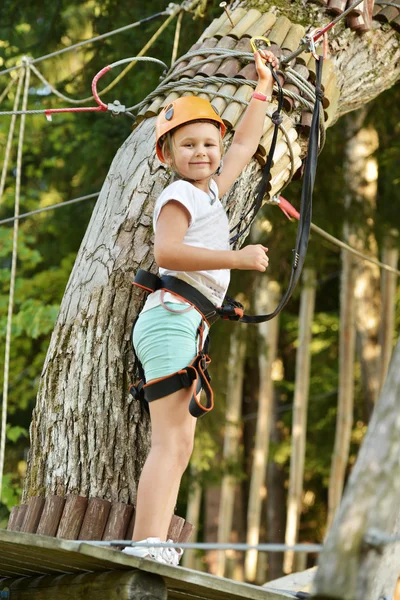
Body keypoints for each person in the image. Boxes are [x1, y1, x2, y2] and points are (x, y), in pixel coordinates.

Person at [123, 49, 278, 566]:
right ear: (168, 154)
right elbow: (167, 253)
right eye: (188, 145)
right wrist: (238, 256)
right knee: (172, 441)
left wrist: (262, 87)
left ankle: (153, 541)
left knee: (180, 442)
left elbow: (247, 144)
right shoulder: (178, 197)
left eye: (209, 143)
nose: (204, 153)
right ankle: (145, 542)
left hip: (184, 324)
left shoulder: (209, 192)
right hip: (171, 319)